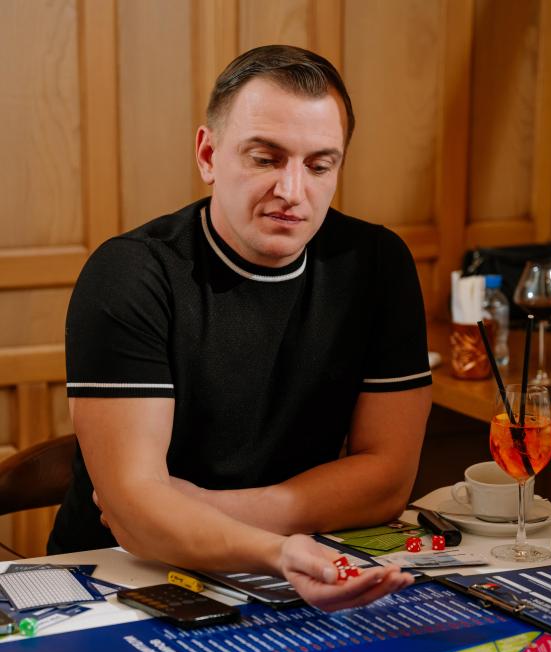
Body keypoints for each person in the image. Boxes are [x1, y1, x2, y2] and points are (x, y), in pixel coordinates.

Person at [48, 45, 432, 611]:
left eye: (319, 166)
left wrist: (204, 507)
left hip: (297, 566)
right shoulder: (131, 273)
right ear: (208, 154)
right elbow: (133, 519)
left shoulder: (376, 263)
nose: (293, 192)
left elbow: (387, 481)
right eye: (266, 158)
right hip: (118, 578)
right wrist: (278, 550)